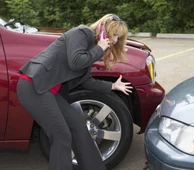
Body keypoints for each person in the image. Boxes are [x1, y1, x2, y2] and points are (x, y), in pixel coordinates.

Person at [16, 14, 132, 170]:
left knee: (78, 126)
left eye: (119, 37)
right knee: (62, 136)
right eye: (114, 34)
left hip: (47, 91)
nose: (115, 40)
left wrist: (112, 87)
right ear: (103, 31)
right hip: (33, 86)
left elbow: (86, 81)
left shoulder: (90, 49)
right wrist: (99, 48)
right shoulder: (82, 33)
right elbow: (76, 61)